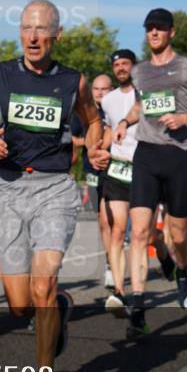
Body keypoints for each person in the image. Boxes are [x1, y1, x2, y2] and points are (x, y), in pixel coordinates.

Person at [0, 0, 105, 372]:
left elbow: (93, 120)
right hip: (10, 189)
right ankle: (58, 310)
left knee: (43, 285)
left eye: (41, 29)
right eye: (26, 27)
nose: (33, 36)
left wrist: (94, 149)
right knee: (19, 306)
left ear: (57, 35)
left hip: (55, 189)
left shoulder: (74, 81)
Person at [113, 8, 187, 338]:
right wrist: (124, 122)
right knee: (139, 232)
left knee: (178, 234)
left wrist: (186, 118)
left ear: (172, 32)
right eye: (149, 28)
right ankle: (137, 307)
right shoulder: (141, 71)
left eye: (160, 28)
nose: (154, 33)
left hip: (177, 155)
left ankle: (182, 270)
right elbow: (140, 106)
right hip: (146, 154)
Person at [99, 50, 138, 314]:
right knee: (117, 231)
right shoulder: (108, 100)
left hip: (144, 168)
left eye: (125, 63)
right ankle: (119, 292)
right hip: (118, 168)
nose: (121, 68)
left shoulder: (145, 94)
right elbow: (108, 130)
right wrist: (98, 150)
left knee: (144, 234)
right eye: (116, 65)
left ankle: (164, 254)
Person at [72, 73, 112, 291]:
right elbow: (73, 139)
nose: (99, 93)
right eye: (96, 89)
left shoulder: (116, 109)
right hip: (93, 170)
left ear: (111, 90)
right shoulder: (83, 112)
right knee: (102, 220)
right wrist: (90, 142)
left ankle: (112, 262)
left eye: (104, 89)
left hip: (116, 170)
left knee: (117, 222)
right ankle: (110, 261)